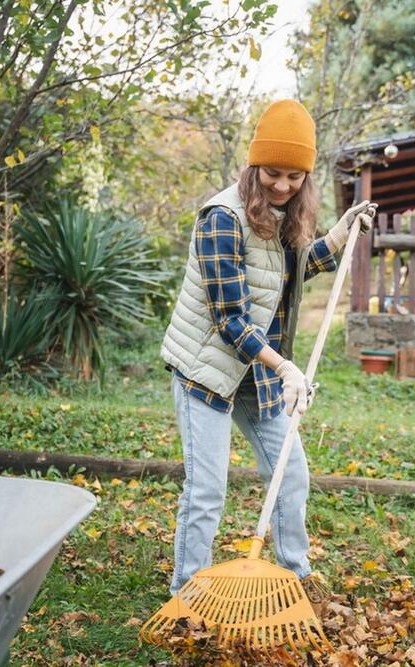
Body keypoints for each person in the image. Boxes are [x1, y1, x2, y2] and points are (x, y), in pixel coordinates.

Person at [159, 99, 374, 596]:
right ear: (255, 167)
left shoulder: (284, 216)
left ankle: (297, 575)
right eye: (274, 173)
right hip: (206, 372)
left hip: (256, 373)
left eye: (295, 177)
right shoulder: (221, 218)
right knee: (208, 489)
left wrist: (339, 234)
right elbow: (230, 320)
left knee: (290, 472)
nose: (283, 185)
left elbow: (291, 271)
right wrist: (286, 368)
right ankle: (186, 592)